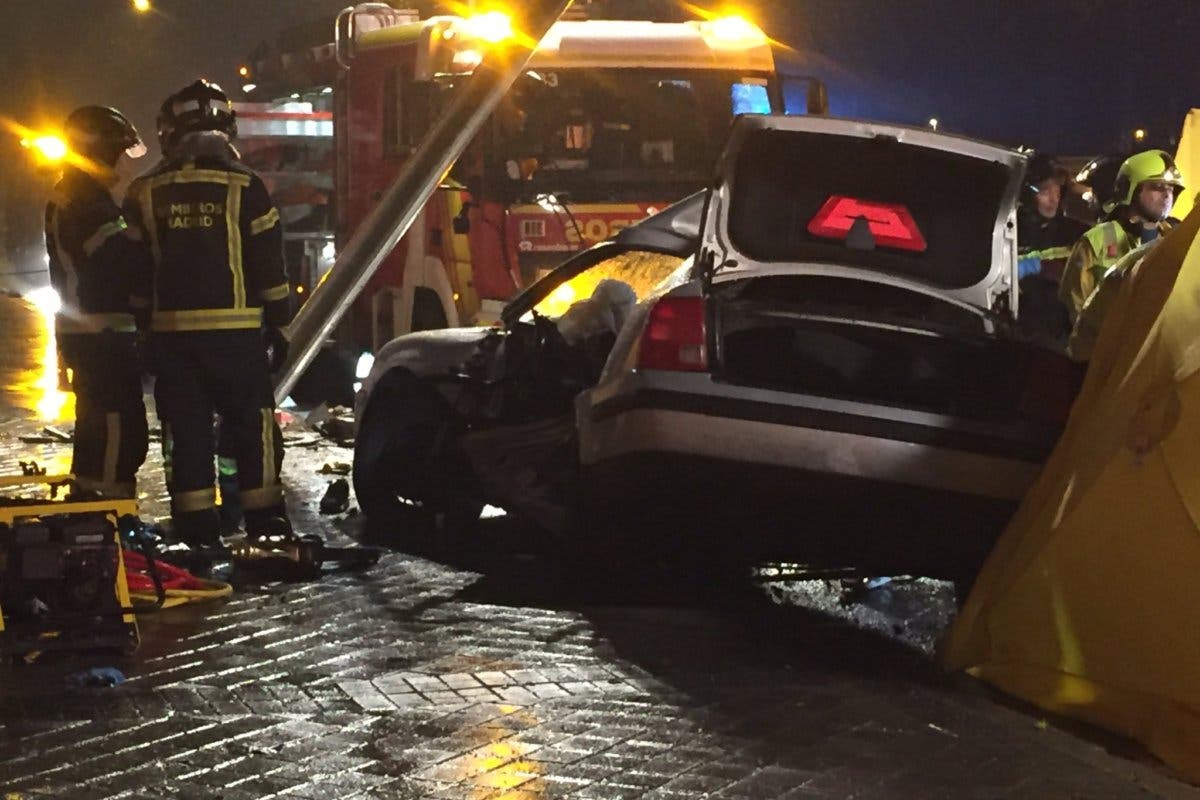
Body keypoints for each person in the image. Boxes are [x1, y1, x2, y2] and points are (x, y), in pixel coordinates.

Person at [123, 79, 295, 547]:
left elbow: (136, 276)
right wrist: (279, 319)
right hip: (238, 339)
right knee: (252, 425)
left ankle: (197, 529)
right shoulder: (248, 187)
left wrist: (143, 327)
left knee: (186, 430)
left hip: (173, 340)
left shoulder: (143, 192)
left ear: (169, 133)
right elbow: (269, 266)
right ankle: (266, 525)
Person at [44, 106, 152, 498]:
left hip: (91, 333)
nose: (123, 164)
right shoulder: (86, 199)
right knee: (115, 431)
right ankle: (103, 518)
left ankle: (96, 516)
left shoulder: (80, 193)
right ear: (100, 149)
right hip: (102, 334)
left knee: (100, 430)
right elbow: (119, 263)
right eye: (119, 152)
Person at [1058, 150, 1184, 324]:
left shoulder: (1176, 238)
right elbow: (1075, 305)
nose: (1167, 195)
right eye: (1158, 187)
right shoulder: (1099, 239)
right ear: (1129, 189)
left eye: (1171, 189)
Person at [1015, 153, 1088, 348]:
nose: (1053, 199)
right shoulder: (1011, 230)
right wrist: (1035, 267)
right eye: (1045, 192)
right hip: (1020, 332)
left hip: (1060, 335)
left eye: (1057, 192)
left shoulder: (1073, 232)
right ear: (1028, 193)